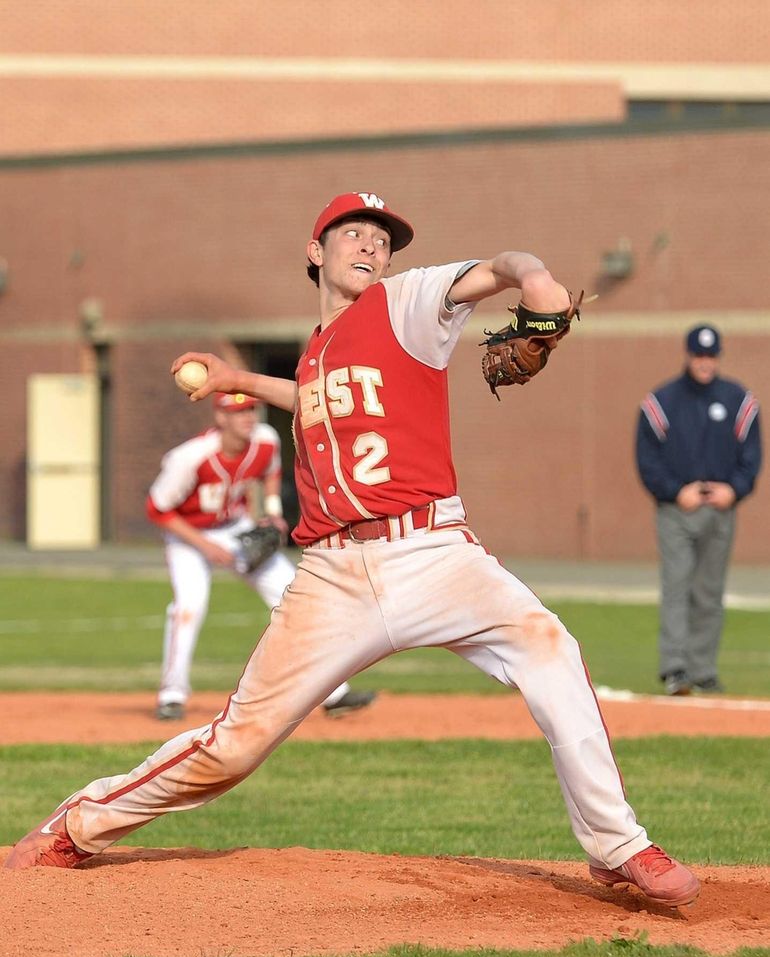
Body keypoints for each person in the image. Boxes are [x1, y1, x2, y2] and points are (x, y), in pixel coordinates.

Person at [5, 191, 700, 908]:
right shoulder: (318, 351)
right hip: (332, 577)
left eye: (381, 239)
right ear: (316, 252)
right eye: (353, 233)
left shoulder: (404, 302)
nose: (371, 247)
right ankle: (78, 825)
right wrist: (238, 381)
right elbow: (313, 392)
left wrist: (536, 277)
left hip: (434, 553)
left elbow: (498, 267)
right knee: (234, 747)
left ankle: (618, 848)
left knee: (549, 648)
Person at [147, 390, 375, 721]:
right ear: (220, 417)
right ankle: (172, 695)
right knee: (188, 607)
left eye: (251, 409)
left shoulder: (265, 440)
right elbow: (157, 509)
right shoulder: (191, 457)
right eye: (238, 412)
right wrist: (205, 545)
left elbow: (270, 472)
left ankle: (333, 693)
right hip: (188, 535)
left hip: (235, 527)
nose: (248, 417)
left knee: (294, 597)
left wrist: (271, 512)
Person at [636, 324, 762, 696]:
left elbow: (751, 457)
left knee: (710, 591)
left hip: (721, 509)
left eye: (711, 356)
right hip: (678, 510)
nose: (705, 362)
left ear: (717, 357)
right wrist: (677, 491)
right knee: (677, 586)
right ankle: (675, 669)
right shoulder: (662, 402)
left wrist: (734, 490)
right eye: (698, 355)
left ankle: (703, 669)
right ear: (688, 355)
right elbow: (648, 460)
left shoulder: (738, 399)